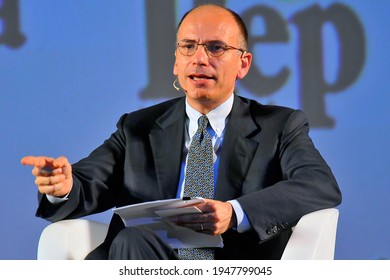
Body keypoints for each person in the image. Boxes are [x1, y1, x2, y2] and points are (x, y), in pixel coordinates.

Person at [21, 4, 341, 260]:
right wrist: (62, 186)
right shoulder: (137, 127)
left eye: (216, 47)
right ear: (176, 60)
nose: (199, 58)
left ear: (243, 64)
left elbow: (319, 185)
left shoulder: (279, 126)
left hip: (231, 264)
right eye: (188, 46)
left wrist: (234, 213)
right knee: (133, 239)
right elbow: (87, 185)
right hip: (139, 256)